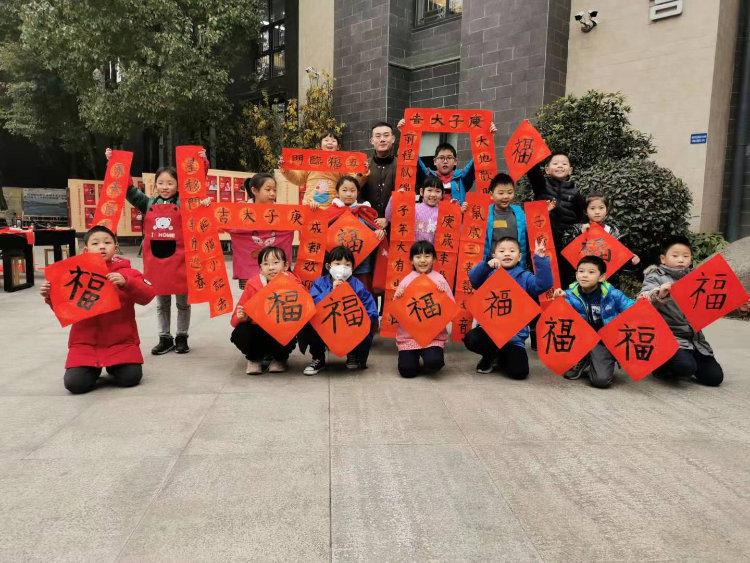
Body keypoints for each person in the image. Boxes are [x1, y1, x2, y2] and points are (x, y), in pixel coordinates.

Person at [106, 147, 210, 355]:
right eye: (161, 183)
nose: (165, 187)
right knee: (162, 303)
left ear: (178, 185)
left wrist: (202, 163)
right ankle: (165, 337)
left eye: (170, 183)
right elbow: (128, 190)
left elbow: (196, 186)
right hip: (156, 261)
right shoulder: (147, 203)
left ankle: (182, 337)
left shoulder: (184, 202)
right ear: (155, 185)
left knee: (183, 303)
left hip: (180, 260)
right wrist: (113, 163)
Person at [39, 226, 156, 394]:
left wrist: (127, 282)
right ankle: (93, 368)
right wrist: (50, 296)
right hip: (84, 344)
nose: (102, 246)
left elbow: (148, 296)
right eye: (95, 243)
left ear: (115, 248)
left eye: (107, 242)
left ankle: (113, 366)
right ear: (86, 250)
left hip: (121, 343)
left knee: (130, 378)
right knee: (75, 384)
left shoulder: (127, 272)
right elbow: (66, 310)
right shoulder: (74, 275)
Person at [639, 236, 734, 386]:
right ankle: (660, 366)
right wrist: (659, 294)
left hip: (696, 339)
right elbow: (643, 300)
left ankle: (688, 359)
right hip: (670, 337)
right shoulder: (655, 276)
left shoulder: (699, 277)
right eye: (675, 255)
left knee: (714, 378)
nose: (681, 260)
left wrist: (739, 307)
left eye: (685, 256)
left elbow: (716, 302)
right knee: (685, 367)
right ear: (663, 259)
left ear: (691, 258)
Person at [464, 236, 553, 377]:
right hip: (490, 331)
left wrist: (540, 259)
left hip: (514, 337)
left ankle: (500, 356)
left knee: (519, 372)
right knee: (472, 339)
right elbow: (474, 279)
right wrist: (486, 265)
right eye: (502, 251)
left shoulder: (525, 277)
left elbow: (544, 285)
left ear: (519, 257)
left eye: (512, 251)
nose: (507, 254)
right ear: (494, 255)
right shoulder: (489, 273)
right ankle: (491, 355)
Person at [554, 255, 635, 388]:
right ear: (576, 274)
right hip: (581, 338)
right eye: (581, 271)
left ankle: (600, 357)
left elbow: (633, 310)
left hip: (604, 341)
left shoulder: (613, 294)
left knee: (600, 381)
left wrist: (644, 300)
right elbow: (560, 317)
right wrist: (559, 301)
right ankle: (583, 357)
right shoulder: (568, 294)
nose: (585, 275)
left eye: (591, 272)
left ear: (601, 277)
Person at [300, 246, 379, 375]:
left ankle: (353, 353)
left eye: (347, 265)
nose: (342, 268)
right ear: (328, 266)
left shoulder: (358, 285)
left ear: (352, 268)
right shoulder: (319, 283)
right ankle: (318, 358)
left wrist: (365, 321)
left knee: (364, 324)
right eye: (337, 264)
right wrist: (331, 291)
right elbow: (312, 304)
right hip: (325, 324)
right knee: (310, 323)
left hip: (349, 324)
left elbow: (370, 308)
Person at [230, 246, 300, 375]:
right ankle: (254, 358)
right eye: (266, 264)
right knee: (240, 333)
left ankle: (279, 358)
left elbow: (304, 307)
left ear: (285, 265)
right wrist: (241, 316)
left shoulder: (293, 282)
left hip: (280, 329)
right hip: (258, 330)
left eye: (275, 262)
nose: (271, 267)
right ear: (261, 268)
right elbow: (235, 319)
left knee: (290, 333)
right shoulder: (253, 284)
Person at [393, 240, 454, 378]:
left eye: (427, 256)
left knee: (434, 363)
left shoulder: (440, 280)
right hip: (409, 337)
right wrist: (398, 297)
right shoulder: (406, 281)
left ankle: (429, 357)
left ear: (434, 259)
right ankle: (412, 359)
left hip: (433, 336)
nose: (422, 260)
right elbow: (397, 312)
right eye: (418, 256)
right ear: (411, 260)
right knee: (407, 371)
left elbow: (450, 308)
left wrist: (442, 296)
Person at [397, 120, 497, 204]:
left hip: (457, 220)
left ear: (455, 161)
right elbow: (413, 158)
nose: (445, 161)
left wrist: (488, 136)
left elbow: (477, 160)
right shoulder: (428, 176)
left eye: (449, 158)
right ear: (435, 161)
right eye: (441, 158)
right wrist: (404, 134)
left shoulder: (462, 177)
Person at [527, 152, 585, 287]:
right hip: (544, 240)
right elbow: (532, 171)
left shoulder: (576, 193)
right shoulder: (541, 185)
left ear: (570, 170)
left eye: (564, 163)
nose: (560, 166)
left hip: (566, 243)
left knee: (565, 277)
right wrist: (532, 151)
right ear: (547, 169)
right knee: (543, 274)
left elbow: (582, 217)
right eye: (555, 163)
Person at [227, 174, 294, 289]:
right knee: (251, 296)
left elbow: (303, 221)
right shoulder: (240, 209)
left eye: (274, 190)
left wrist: (314, 209)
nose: (272, 194)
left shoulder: (282, 211)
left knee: (275, 297)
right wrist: (205, 206)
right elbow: (218, 220)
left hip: (275, 270)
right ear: (254, 190)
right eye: (268, 190)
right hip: (248, 268)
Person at [327, 175, 385, 289]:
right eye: (344, 190)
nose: (349, 194)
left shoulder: (364, 211)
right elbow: (318, 232)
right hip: (337, 269)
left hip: (362, 268)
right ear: (337, 192)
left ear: (358, 192)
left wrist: (380, 232)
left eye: (352, 190)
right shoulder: (330, 212)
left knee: (362, 295)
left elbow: (375, 230)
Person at [279, 132, 354, 209]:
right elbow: (299, 179)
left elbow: (352, 180)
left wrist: (360, 174)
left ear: (338, 147)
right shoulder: (310, 161)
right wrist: (286, 170)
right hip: (309, 206)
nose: (330, 142)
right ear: (319, 146)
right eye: (326, 140)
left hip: (332, 208)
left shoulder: (342, 164)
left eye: (333, 141)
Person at [565, 193, 641, 266]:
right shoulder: (577, 229)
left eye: (601, 208)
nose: (597, 212)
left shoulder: (614, 231)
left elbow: (620, 257)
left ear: (606, 210)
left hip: (607, 273)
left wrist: (631, 260)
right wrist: (581, 234)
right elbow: (567, 251)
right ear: (586, 211)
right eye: (592, 208)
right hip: (583, 272)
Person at [481, 172, 529, 265]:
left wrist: (543, 213)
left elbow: (532, 230)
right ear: (491, 194)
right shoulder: (484, 213)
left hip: (516, 265)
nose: (506, 196)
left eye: (510, 192)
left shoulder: (519, 212)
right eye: (501, 193)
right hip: (493, 265)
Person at [384, 177, 444, 244]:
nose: (433, 195)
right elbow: (389, 217)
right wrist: (395, 198)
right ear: (421, 192)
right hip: (412, 249)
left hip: (431, 250)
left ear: (442, 194)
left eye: (437, 191)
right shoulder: (412, 208)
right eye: (429, 190)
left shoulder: (444, 214)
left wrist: (453, 209)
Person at [361, 121, 398, 223]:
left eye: (386, 135)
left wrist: (388, 219)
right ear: (372, 141)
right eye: (378, 136)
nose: (382, 139)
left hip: (394, 225)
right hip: (367, 223)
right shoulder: (364, 166)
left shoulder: (402, 166)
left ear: (393, 139)